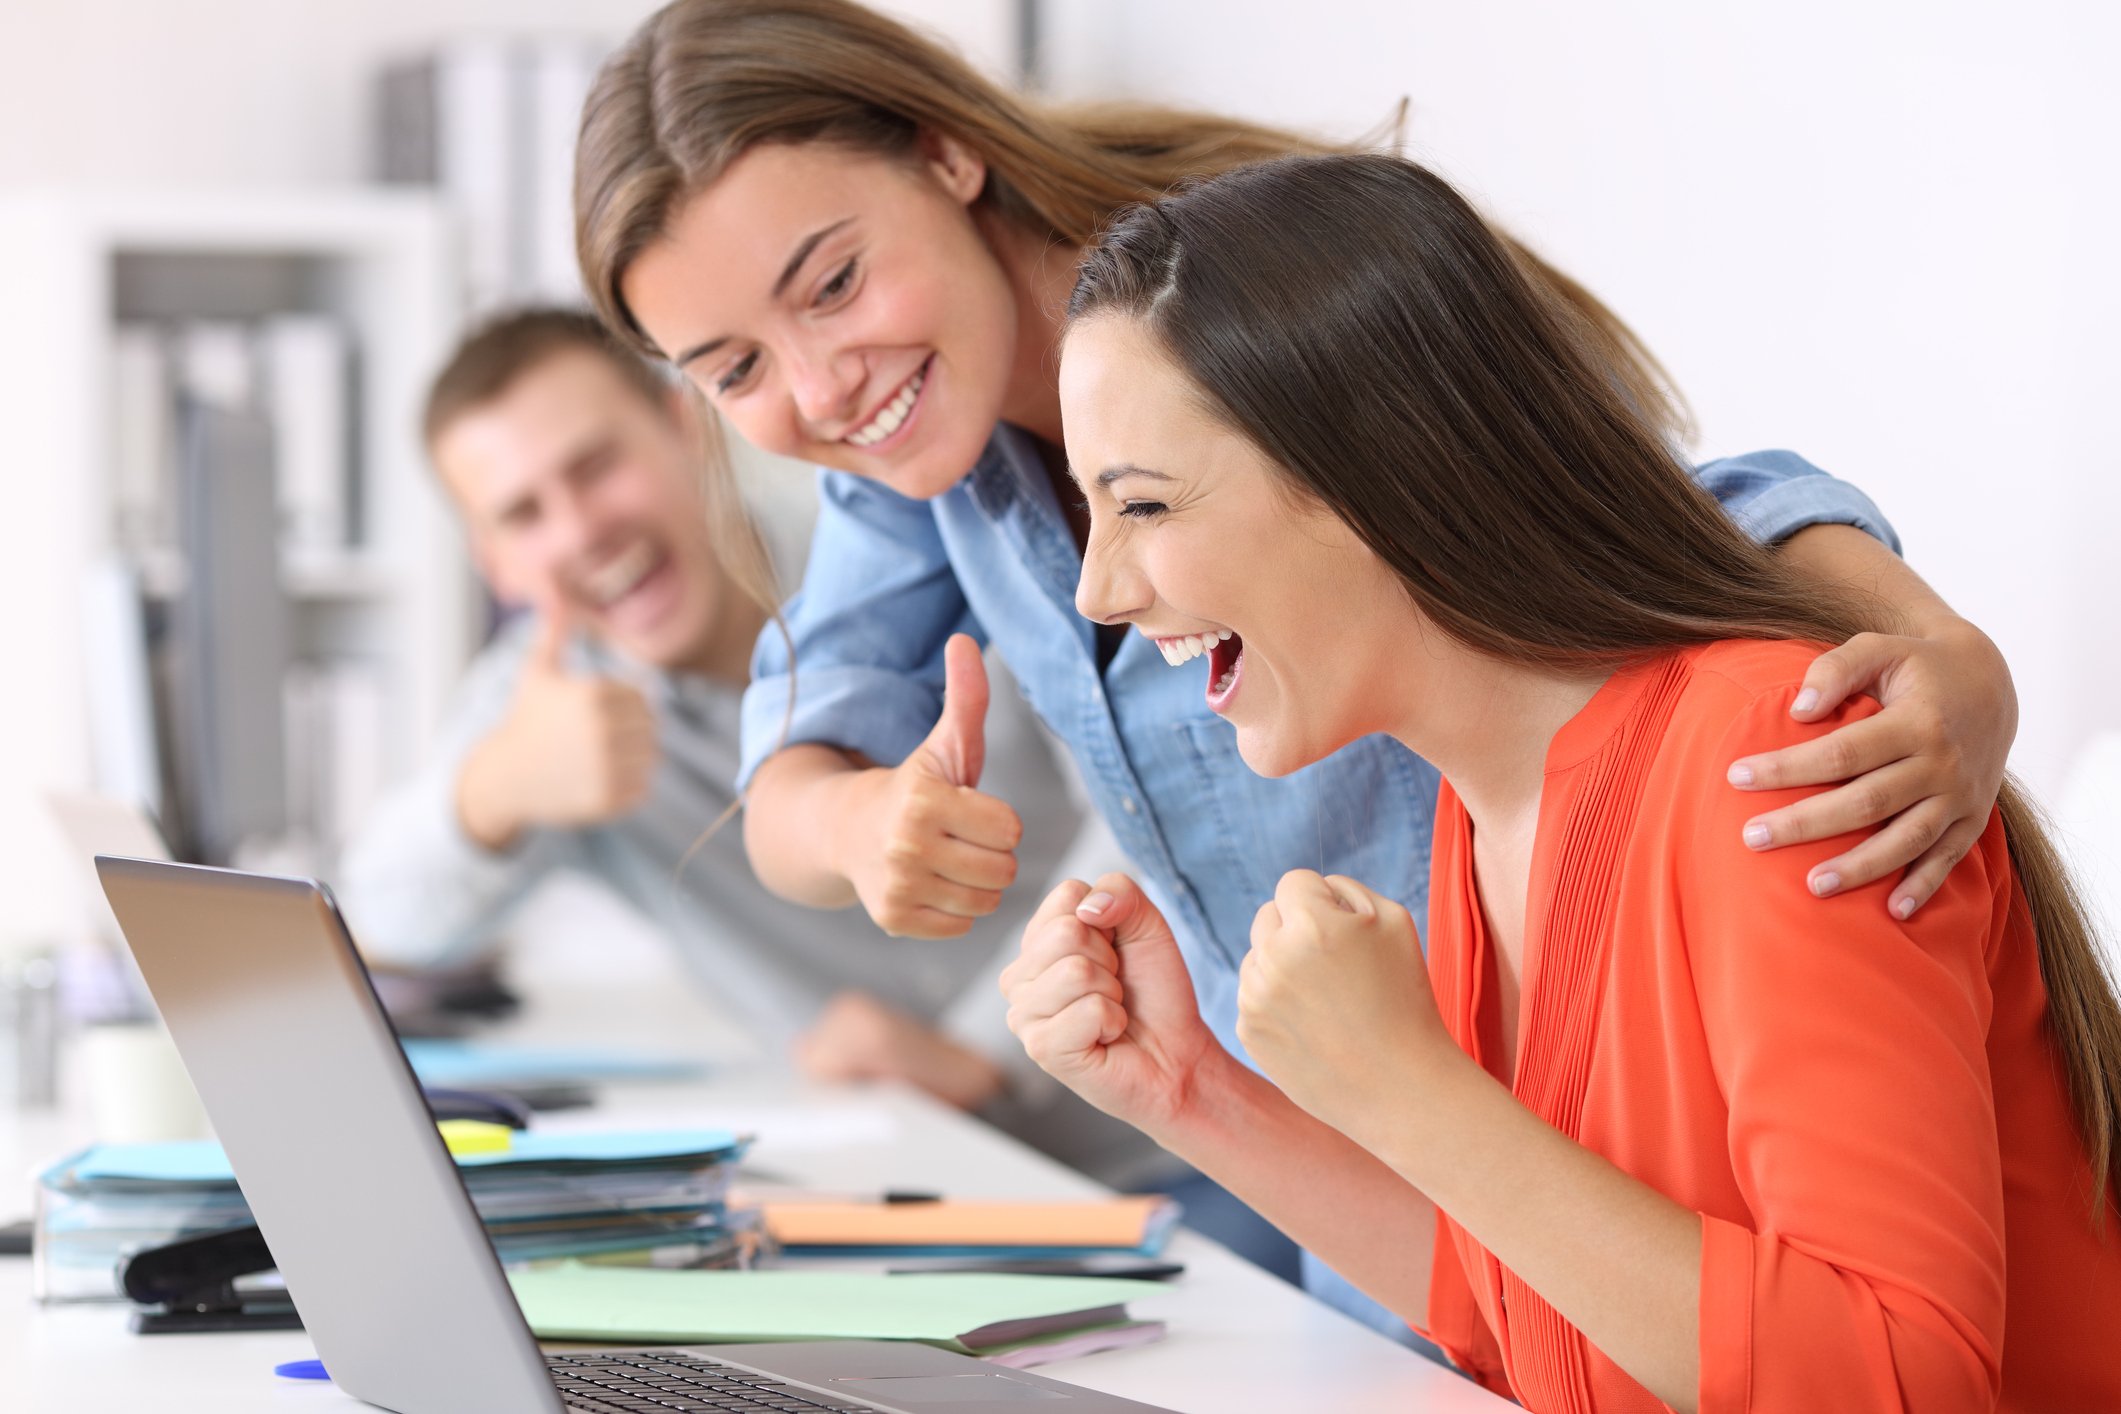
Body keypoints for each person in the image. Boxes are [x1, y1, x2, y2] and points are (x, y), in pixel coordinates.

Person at [574, 0, 2021, 1332]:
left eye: (829, 281)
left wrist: (1939, 646)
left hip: (1544, 1145)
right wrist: (864, 827)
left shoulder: (1213, 304)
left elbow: (1630, 519)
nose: (819, 386)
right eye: (733, 370)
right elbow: (798, 769)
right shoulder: (912, 458)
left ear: (946, 155)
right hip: (1356, 1166)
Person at [1003, 151, 2121, 1411]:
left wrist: (1414, 1093)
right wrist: (1190, 1090)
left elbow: (1898, 1383)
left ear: (1377, 473)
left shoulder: (1772, 761)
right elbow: (1540, 1310)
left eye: (1142, 504)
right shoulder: (1479, 814)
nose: (1101, 589)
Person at [336, 309, 1161, 1187]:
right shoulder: (541, 703)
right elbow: (379, 921)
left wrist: (980, 1045)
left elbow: (1155, 804)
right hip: (922, 1188)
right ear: (494, 560)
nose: (579, 532)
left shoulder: (892, 546)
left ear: (683, 427)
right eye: (523, 513)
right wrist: (493, 791)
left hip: (1172, 1138)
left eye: (595, 466)